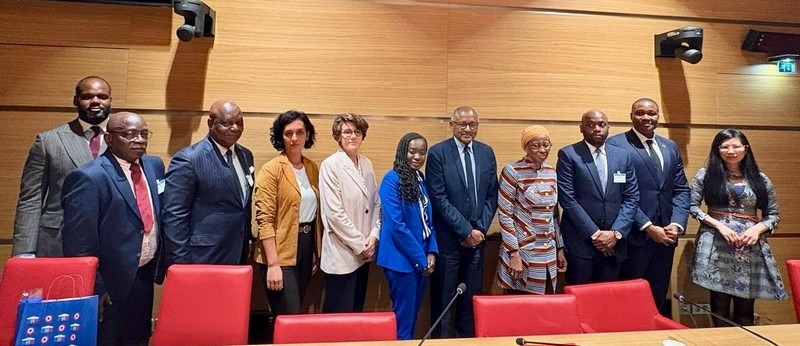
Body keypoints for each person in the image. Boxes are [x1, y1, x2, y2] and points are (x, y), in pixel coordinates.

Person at [61, 112, 165, 345]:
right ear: (109, 139)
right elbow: (79, 242)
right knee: (108, 339)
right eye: (129, 134)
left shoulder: (154, 165)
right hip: (109, 283)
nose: (139, 139)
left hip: (143, 275)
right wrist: (96, 287)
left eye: (143, 133)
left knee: (138, 338)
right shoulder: (88, 177)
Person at [689, 129, 786, 327]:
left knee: (745, 306)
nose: (730, 150)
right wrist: (719, 226)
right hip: (716, 243)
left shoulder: (761, 179)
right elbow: (691, 206)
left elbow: (773, 215)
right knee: (719, 305)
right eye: (725, 146)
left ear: (745, 148)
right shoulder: (705, 175)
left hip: (748, 247)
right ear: (718, 150)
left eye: (736, 146)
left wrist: (757, 229)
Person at [607, 98, 690, 314]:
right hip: (634, 235)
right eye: (640, 113)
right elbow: (619, 194)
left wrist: (676, 224)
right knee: (629, 300)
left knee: (657, 297)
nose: (646, 117)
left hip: (666, 237)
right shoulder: (615, 145)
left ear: (658, 116)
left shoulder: (669, 146)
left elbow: (681, 189)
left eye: (651, 113)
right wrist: (647, 226)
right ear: (631, 116)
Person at [13, 76, 113, 257]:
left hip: (110, 242)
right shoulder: (48, 141)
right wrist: (24, 250)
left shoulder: (126, 142)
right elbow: (31, 199)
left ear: (110, 101)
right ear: (76, 100)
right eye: (87, 96)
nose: (96, 101)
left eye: (102, 97)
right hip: (58, 241)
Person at [425, 106, 498, 338]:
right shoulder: (438, 153)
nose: (467, 129)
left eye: (472, 124)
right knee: (444, 302)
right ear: (452, 125)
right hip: (449, 243)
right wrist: (466, 230)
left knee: (471, 302)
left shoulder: (487, 152)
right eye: (462, 124)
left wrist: (479, 230)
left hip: (477, 243)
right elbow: (438, 197)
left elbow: (492, 195)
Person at [162, 100, 254, 265]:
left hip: (239, 253)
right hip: (202, 256)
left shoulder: (246, 155)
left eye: (239, 123)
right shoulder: (188, 159)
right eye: (226, 123)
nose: (234, 128)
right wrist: (180, 264)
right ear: (210, 124)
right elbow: (174, 216)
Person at [556, 109, 639, 284]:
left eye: (601, 124)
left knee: (607, 301)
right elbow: (567, 200)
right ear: (581, 128)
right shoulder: (569, 155)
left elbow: (631, 198)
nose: (596, 128)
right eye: (590, 124)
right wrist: (596, 235)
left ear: (608, 127)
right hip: (581, 244)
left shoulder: (623, 156)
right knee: (579, 300)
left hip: (615, 243)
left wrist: (615, 234)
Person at [253, 110, 321, 315]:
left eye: (300, 132)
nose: (294, 138)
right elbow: (264, 220)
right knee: (288, 314)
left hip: (306, 248)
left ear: (307, 135)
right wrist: (273, 264)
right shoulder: (271, 170)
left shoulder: (311, 167)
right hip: (279, 250)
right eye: (288, 133)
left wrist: (315, 251)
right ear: (280, 137)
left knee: (297, 311)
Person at [377, 132, 438, 340]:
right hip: (401, 261)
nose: (417, 157)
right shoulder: (391, 179)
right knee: (403, 319)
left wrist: (432, 251)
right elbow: (396, 226)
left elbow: (428, 221)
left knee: (412, 317)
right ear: (403, 151)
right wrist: (421, 259)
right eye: (412, 151)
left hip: (420, 260)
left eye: (422, 153)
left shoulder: (420, 179)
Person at [319, 113, 381, 313]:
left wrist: (373, 236)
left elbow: (376, 205)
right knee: (339, 317)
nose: (352, 136)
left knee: (356, 311)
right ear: (338, 136)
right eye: (347, 132)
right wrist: (359, 244)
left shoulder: (367, 164)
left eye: (357, 132)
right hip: (342, 253)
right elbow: (334, 214)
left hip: (365, 252)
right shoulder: (330, 165)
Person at [496, 125, 567, 294]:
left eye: (546, 144)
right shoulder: (512, 171)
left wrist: (560, 248)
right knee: (519, 309)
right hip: (522, 253)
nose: (542, 150)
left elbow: (554, 214)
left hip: (548, 254)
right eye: (536, 145)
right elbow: (505, 215)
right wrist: (513, 254)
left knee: (545, 311)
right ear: (526, 146)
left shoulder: (551, 172)